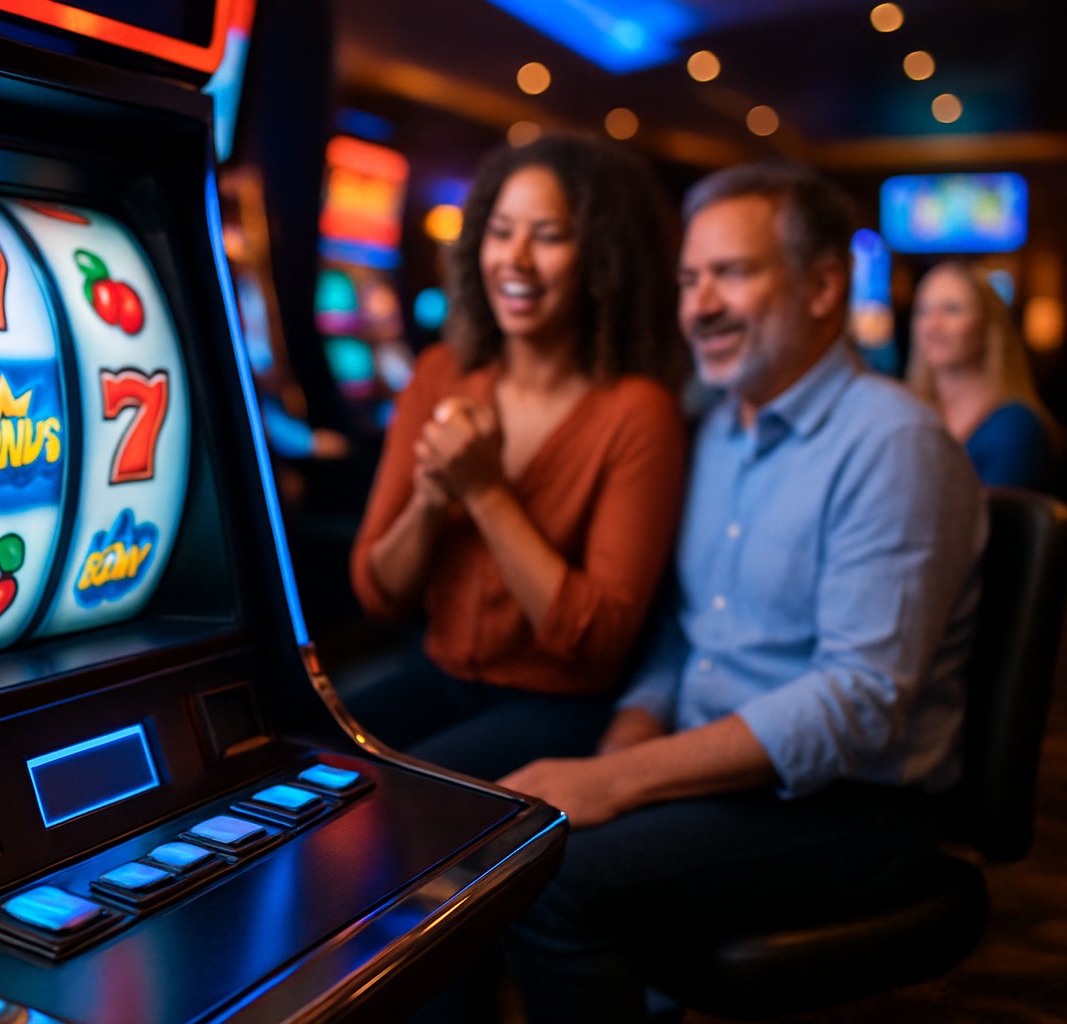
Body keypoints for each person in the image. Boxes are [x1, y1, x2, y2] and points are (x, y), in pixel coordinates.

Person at [496, 161, 987, 1023]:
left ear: (824, 285)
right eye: (690, 279)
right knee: (500, 831)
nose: (700, 306)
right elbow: (689, 633)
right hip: (723, 777)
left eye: (732, 273)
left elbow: (858, 702)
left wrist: (619, 784)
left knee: (548, 883)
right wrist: (625, 738)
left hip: (853, 810)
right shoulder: (717, 425)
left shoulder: (893, 443)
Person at [343, 133, 688, 782]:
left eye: (550, 236)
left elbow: (594, 643)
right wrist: (429, 498)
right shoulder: (441, 372)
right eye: (501, 232)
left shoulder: (638, 411)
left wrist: (486, 492)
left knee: (390, 801)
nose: (516, 260)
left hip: (558, 706)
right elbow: (377, 591)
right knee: (299, 760)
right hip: (433, 671)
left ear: (602, 257)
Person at [907, 259, 1060, 491]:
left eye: (952, 309)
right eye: (923, 310)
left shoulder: (1015, 427)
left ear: (988, 325)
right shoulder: (906, 412)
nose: (932, 325)